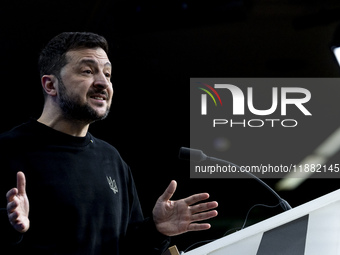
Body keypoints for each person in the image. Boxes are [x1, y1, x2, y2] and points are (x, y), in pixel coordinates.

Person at [0, 32, 218, 255]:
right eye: (87, 71)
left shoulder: (111, 159)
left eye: (107, 73)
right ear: (50, 85)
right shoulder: (7, 151)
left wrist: (156, 231)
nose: (103, 82)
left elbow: (128, 248)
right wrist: (10, 229)